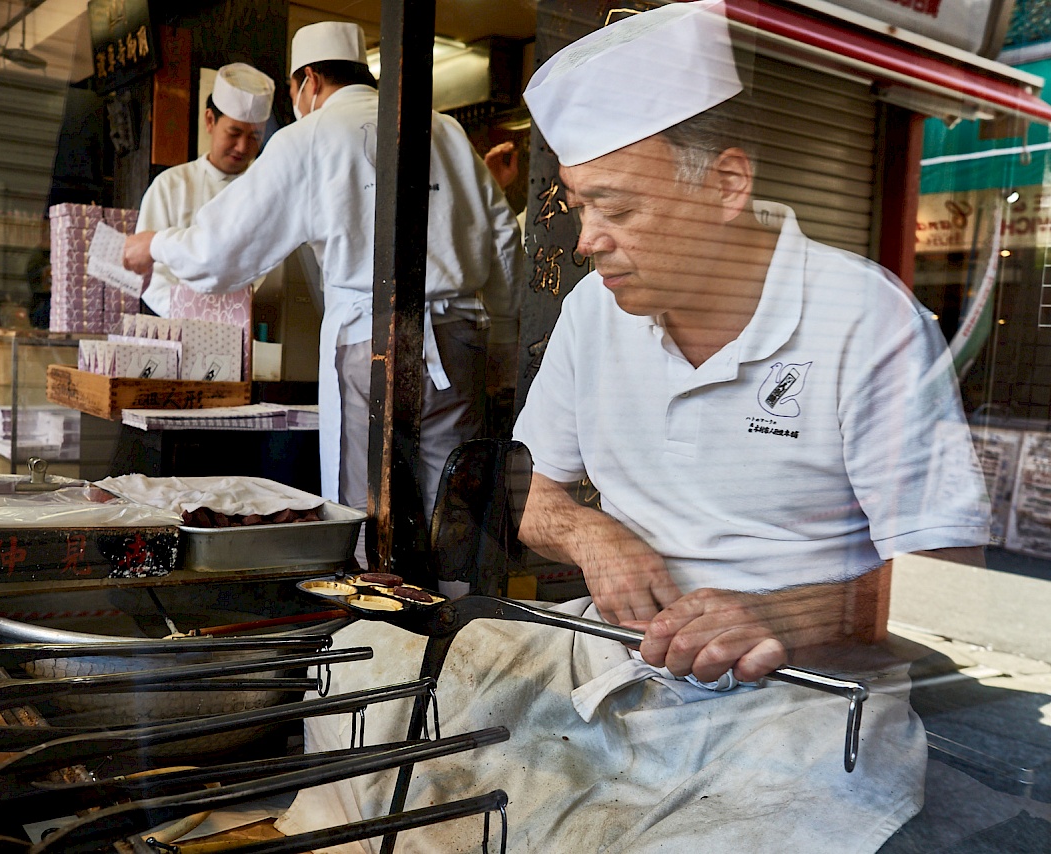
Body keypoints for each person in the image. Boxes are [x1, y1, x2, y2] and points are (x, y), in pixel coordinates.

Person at [274, 3, 990, 851]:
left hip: (800, 699)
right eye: (578, 206)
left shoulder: (862, 319)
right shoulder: (595, 312)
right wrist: (587, 533)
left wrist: (785, 615)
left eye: (615, 208)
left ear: (727, 184)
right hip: (610, 653)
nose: (586, 242)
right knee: (355, 665)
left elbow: (949, 575)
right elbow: (532, 498)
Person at [124, 22, 521, 540]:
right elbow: (504, 240)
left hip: (372, 344)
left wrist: (153, 243)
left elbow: (218, 251)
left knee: (366, 509)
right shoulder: (443, 128)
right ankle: (460, 619)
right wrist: (503, 341)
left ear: (307, 82)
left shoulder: (309, 137)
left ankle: (377, 618)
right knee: (455, 505)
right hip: (460, 340)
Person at [136, 62, 275, 316]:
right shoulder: (171, 186)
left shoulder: (269, 193)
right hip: (179, 327)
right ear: (210, 120)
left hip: (248, 328)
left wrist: (237, 312)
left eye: (254, 136)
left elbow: (271, 271)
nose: (243, 147)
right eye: (234, 133)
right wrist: (192, 314)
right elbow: (151, 273)